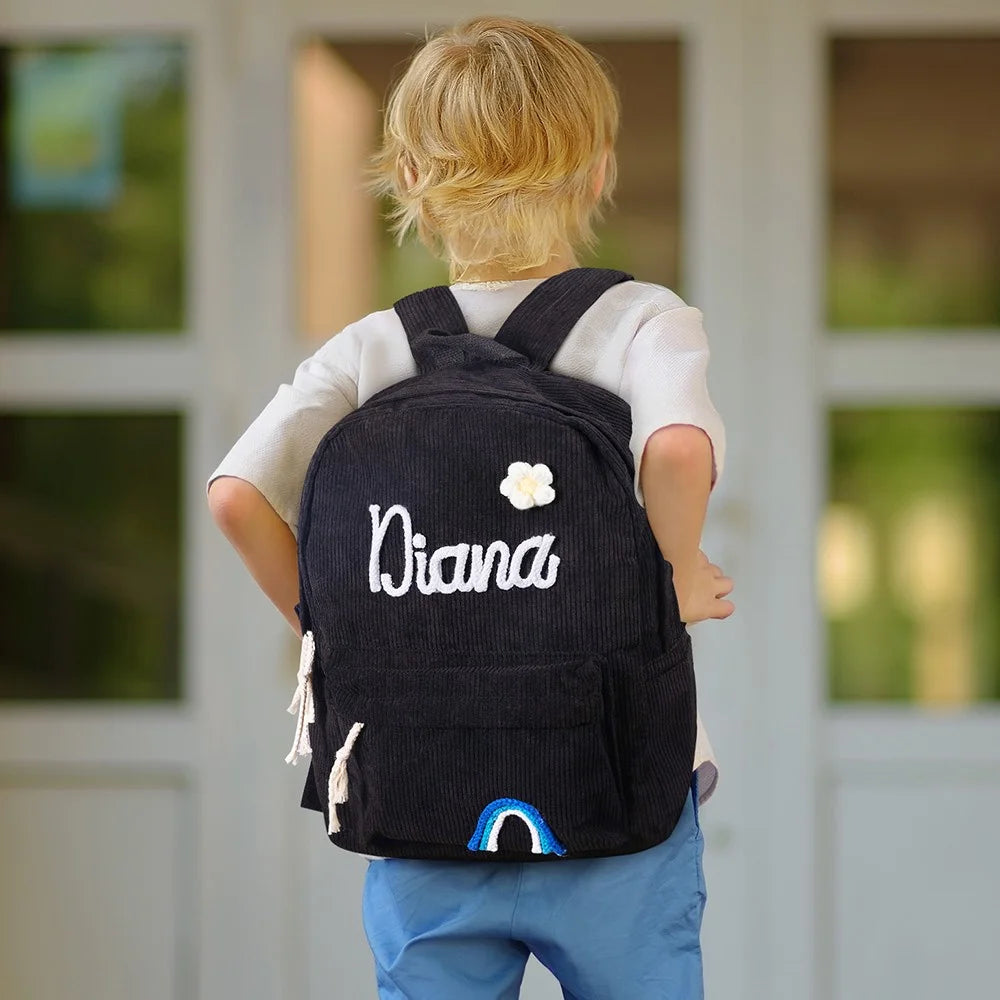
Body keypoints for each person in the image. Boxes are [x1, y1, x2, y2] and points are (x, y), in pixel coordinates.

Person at [208, 15, 734, 999]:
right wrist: (672, 580)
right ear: (598, 172)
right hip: (617, 784)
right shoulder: (640, 324)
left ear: (410, 177)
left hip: (422, 794)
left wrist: (333, 632)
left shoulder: (373, 349)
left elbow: (237, 497)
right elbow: (675, 448)